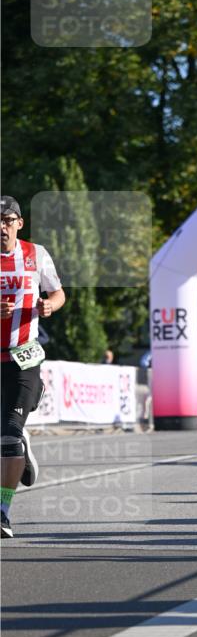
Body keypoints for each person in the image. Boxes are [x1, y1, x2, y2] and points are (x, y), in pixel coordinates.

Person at [1, 195, 66, 538]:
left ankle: (3, 510)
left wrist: (49, 306)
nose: (2, 227)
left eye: (8, 220)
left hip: (23, 356)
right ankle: (20, 441)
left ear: (19, 223)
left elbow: (58, 293)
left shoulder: (35, 254)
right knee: (5, 436)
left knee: (7, 437)